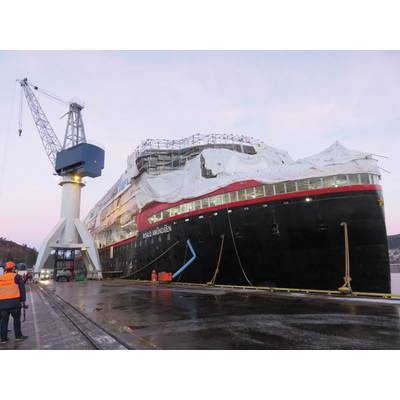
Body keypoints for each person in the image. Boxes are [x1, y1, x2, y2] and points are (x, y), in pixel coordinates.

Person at [0, 261, 28, 344]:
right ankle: (18, 336)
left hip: (2, 304)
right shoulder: (17, 277)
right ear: (13, 268)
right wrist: (23, 301)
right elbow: (22, 290)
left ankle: (4, 339)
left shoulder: (1, 277)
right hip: (15, 303)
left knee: (4, 321)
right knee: (16, 320)